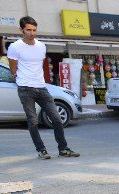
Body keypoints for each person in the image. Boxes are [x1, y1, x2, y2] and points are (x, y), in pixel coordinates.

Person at [7, 16, 80, 160]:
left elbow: (38, 66)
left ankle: (63, 149)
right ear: (21, 30)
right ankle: (41, 150)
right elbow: (13, 70)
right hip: (25, 88)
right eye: (28, 30)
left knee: (56, 118)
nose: (32, 33)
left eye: (34, 30)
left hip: (41, 87)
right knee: (33, 121)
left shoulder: (41, 46)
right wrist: (21, 81)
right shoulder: (15, 47)